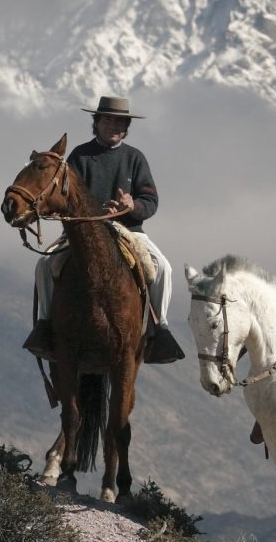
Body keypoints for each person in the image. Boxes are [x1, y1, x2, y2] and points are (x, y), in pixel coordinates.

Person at [23, 96, 174, 363]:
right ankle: (45, 325)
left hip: (129, 230)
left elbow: (151, 201)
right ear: (97, 122)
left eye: (119, 121)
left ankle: (159, 329)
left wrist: (132, 204)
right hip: (83, 232)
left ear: (126, 125)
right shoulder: (79, 156)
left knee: (162, 267)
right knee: (44, 267)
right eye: (107, 119)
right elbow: (63, 196)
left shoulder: (135, 158)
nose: (113, 125)